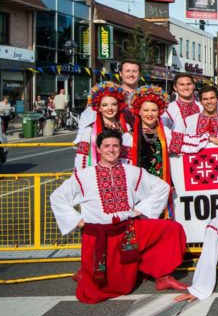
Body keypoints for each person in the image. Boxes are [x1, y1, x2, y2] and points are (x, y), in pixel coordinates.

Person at [50, 130, 187, 304]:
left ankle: (162, 276)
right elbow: (57, 197)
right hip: (100, 235)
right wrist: (77, 220)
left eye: (115, 146)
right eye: (106, 146)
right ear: (98, 149)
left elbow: (161, 187)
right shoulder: (83, 176)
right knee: (101, 290)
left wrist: (140, 209)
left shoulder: (132, 172)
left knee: (170, 229)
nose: (111, 149)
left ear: (120, 149)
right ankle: (87, 272)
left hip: (128, 229)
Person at [129, 85, 209, 195]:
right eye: (146, 110)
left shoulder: (164, 134)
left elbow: (188, 143)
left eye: (154, 110)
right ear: (139, 112)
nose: (150, 114)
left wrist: (208, 137)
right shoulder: (129, 137)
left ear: (159, 112)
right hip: (137, 189)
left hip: (159, 188)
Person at [74, 82, 133, 170]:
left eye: (114, 104)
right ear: (99, 108)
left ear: (119, 106)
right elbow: (81, 161)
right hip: (97, 178)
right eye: (105, 105)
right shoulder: (90, 131)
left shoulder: (126, 128)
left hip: (123, 177)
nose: (110, 108)